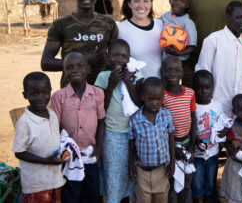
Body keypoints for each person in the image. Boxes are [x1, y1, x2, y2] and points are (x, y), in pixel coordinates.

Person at [41, 0, 118, 87]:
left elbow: (114, 60)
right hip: (71, 91)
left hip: (102, 91)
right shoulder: (60, 24)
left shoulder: (108, 24)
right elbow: (46, 63)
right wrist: (84, 60)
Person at [51, 52, 106, 203]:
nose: (75, 70)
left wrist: (99, 150)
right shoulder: (58, 97)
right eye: (69, 67)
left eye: (80, 66)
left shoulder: (98, 94)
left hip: (90, 156)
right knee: (70, 196)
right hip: (69, 158)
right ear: (64, 71)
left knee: (92, 195)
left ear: (88, 69)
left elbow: (101, 122)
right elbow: (54, 127)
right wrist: (60, 151)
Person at [94, 39, 144, 202]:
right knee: (114, 177)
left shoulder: (136, 74)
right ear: (108, 58)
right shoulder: (103, 77)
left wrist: (128, 82)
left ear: (129, 59)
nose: (120, 59)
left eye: (124, 56)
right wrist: (111, 84)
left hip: (135, 136)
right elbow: (101, 108)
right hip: (113, 136)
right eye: (115, 55)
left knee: (134, 177)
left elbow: (140, 104)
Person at [196, 0, 242, 118]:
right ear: (228, 17)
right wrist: (206, 106)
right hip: (217, 108)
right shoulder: (213, 40)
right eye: (238, 17)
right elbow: (203, 73)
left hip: (241, 112)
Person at [13, 72, 65, 203]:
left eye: (44, 92)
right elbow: (19, 152)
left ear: (50, 92)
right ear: (25, 95)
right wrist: (46, 161)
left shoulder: (52, 115)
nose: (40, 98)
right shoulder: (24, 122)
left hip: (54, 178)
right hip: (36, 183)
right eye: (34, 94)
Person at [129, 77, 175, 203]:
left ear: (163, 98)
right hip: (142, 171)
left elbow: (171, 138)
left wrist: (172, 162)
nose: (155, 102)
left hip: (162, 170)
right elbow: (131, 143)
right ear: (142, 96)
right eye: (151, 99)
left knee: (161, 198)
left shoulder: (166, 115)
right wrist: (131, 164)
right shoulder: (135, 119)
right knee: (144, 199)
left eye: (158, 99)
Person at [161, 55, 196, 203]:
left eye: (177, 70)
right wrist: (172, 150)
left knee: (187, 182)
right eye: (168, 70)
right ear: (162, 72)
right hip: (170, 147)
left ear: (182, 73)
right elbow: (161, 127)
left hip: (187, 143)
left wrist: (192, 147)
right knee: (171, 182)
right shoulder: (161, 96)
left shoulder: (189, 93)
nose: (173, 73)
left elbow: (193, 120)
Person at [118, 0, 164, 78]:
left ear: (151, 4)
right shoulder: (121, 29)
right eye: (136, 1)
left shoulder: (161, 25)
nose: (141, 5)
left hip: (161, 87)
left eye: (146, 1)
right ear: (129, 4)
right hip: (134, 89)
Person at [191, 70, 222, 203]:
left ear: (212, 87)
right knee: (197, 183)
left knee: (210, 182)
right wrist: (196, 139)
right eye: (199, 88)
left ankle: (208, 199)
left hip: (213, 153)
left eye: (207, 88)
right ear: (194, 89)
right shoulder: (192, 107)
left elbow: (222, 124)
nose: (203, 91)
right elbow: (190, 128)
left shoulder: (217, 105)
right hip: (197, 154)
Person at [160, 0, 197, 64]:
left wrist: (178, 53)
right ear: (170, 0)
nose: (178, 3)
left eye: (182, 1)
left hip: (179, 62)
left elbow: (192, 47)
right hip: (163, 59)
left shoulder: (187, 22)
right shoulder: (165, 16)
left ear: (187, 5)